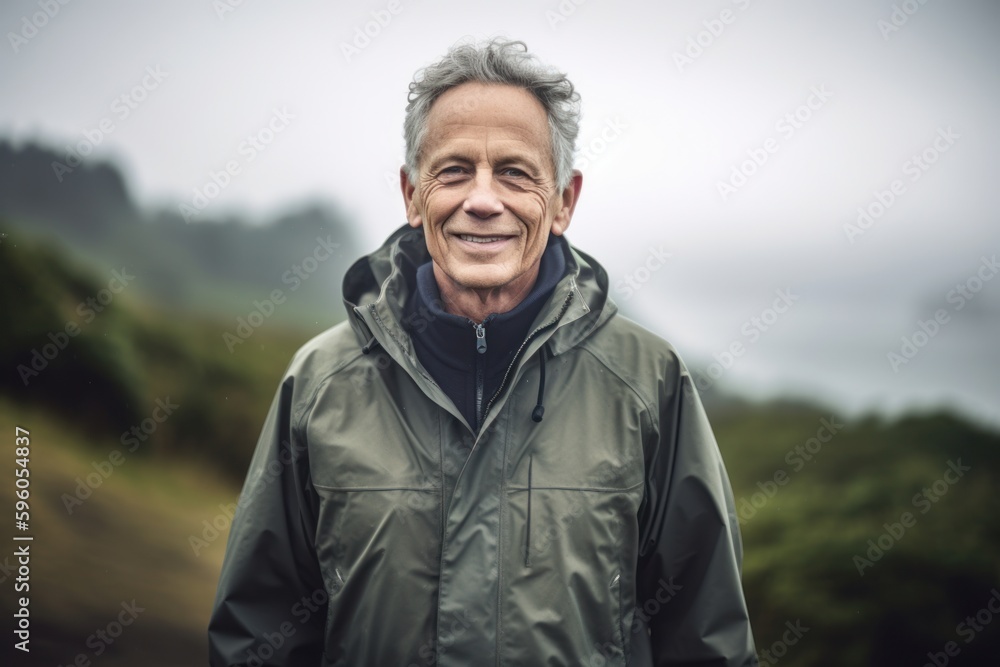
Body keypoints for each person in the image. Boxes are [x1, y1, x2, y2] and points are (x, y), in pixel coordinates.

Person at [209, 38, 756, 666]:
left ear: (564, 202)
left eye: (516, 173)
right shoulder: (319, 381)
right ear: (413, 194)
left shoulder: (648, 382)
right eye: (454, 170)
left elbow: (706, 635)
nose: (483, 199)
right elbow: (260, 630)